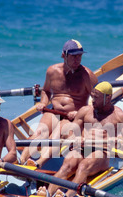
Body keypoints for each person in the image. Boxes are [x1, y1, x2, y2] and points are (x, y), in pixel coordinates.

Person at [37, 81, 123, 197]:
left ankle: (66, 196)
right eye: (92, 97)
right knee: (67, 165)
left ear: (108, 98)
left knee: (84, 165)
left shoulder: (120, 117)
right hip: (81, 148)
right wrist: (75, 138)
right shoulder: (85, 111)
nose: (93, 100)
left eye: (96, 98)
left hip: (101, 152)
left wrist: (116, 142)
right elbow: (70, 132)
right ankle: (49, 193)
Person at [20, 39, 98, 167]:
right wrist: (43, 103)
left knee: (56, 135)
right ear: (64, 55)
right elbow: (45, 91)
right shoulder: (52, 71)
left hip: (72, 116)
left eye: (80, 56)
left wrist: (80, 113)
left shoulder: (87, 75)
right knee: (39, 132)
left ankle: (37, 164)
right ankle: (21, 161)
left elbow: (98, 101)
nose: (77, 59)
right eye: (73, 56)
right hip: (53, 111)